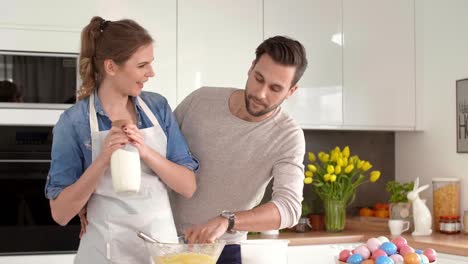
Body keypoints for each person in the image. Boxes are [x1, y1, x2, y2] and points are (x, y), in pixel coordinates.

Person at [44, 16, 198, 264]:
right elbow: (61, 213)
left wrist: (145, 152)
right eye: (142, 65)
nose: (151, 73)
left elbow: (187, 186)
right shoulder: (74, 122)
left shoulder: (157, 108)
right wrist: (102, 160)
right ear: (111, 67)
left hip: (160, 253)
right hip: (104, 253)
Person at [172, 35, 308, 263]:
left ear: (291, 91)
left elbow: (289, 208)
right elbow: (156, 155)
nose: (260, 93)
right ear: (250, 68)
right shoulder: (200, 101)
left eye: (276, 88)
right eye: (258, 78)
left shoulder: (288, 136)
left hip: (223, 250)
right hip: (164, 240)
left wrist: (228, 220)